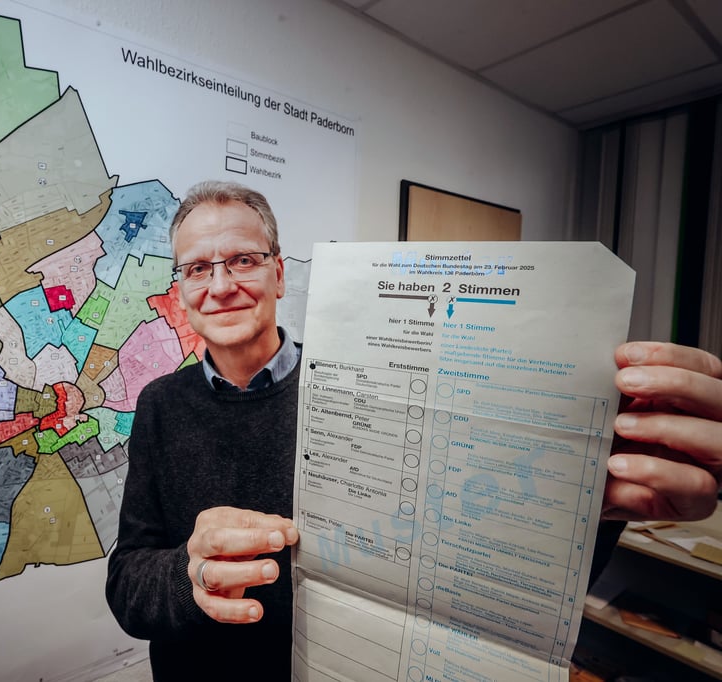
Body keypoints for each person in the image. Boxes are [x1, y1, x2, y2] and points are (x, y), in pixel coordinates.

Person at [105, 180, 722, 680]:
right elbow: (128, 584)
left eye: (243, 259)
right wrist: (189, 577)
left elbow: (474, 574)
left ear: (280, 275)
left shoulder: (369, 389)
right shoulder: (159, 405)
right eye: (197, 269)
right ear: (179, 291)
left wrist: (595, 499)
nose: (221, 286)